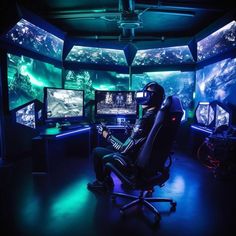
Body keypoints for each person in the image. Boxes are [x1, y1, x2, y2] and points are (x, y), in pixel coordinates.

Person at [87, 81, 165, 192]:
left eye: (145, 95)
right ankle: (107, 179)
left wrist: (107, 135)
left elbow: (124, 149)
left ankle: (101, 182)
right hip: (151, 162)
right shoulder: (160, 117)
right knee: (109, 149)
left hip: (134, 163)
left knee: (97, 151)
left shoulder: (145, 120)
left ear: (152, 98)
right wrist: (134, 130)